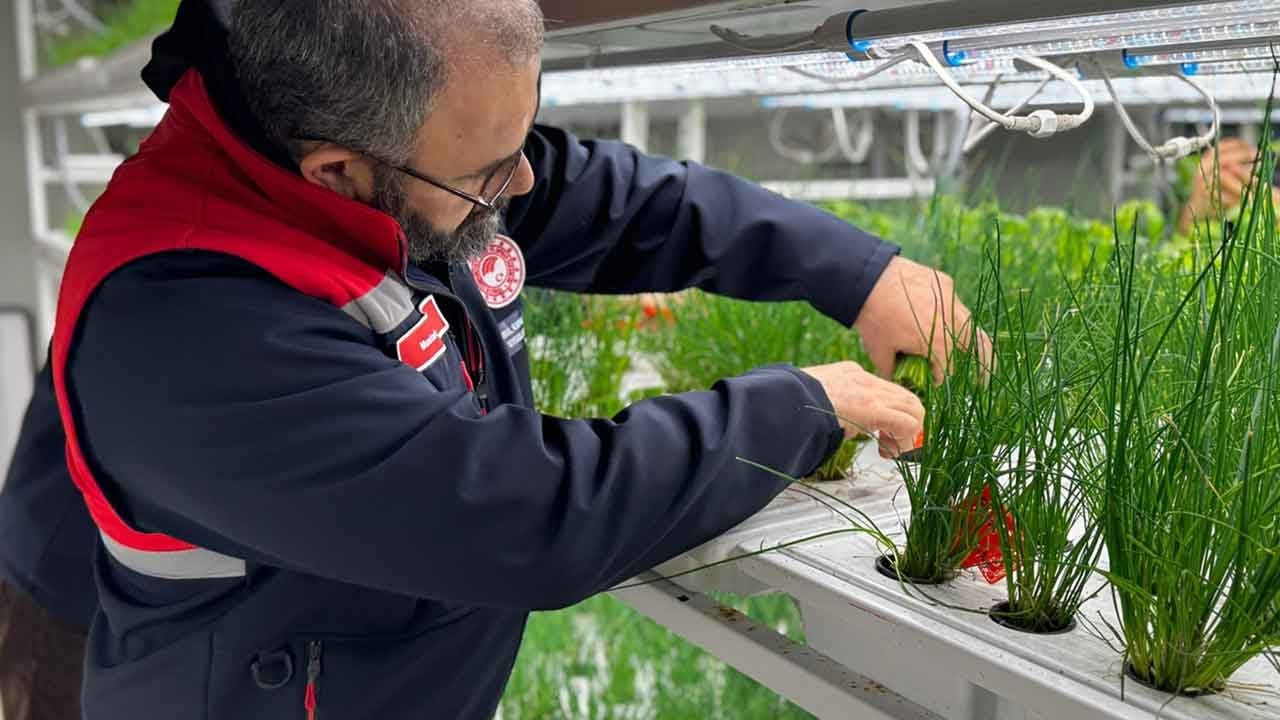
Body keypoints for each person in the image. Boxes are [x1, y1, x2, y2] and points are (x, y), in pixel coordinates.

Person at [3, 1, 994, 717]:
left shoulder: (381, 143)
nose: (518, 183)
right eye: (488, 171)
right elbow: (511, 517)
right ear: (341, 174)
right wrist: (798, 407)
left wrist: (857, 272)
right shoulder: (184, 320)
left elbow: (601, 193)